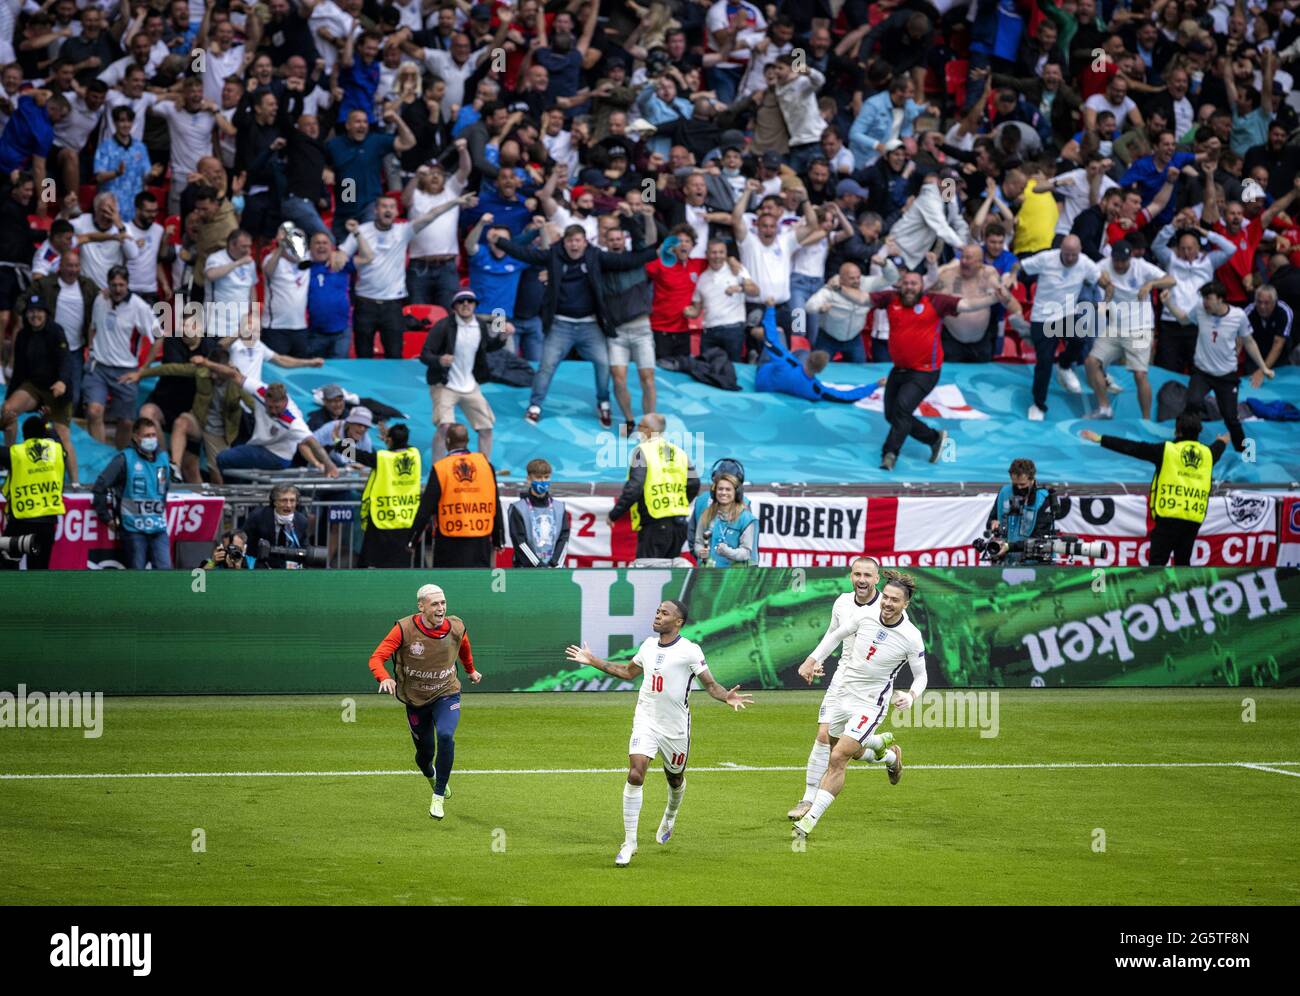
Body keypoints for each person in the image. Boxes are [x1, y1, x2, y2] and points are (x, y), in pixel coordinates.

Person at [563, 599, 753, 866]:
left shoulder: (690, 650)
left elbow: (710, 685)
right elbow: (626, 672)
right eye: (657, 611)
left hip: (675, 728)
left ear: (678, 622)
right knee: (635, 773)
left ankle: (670, 814)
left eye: (665, 613)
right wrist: (591, 660)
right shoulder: (648, 646)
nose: (658, 616)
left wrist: (726, 696)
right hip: (646, 720)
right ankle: (629, 842)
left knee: (675, 779)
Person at [793, 571, 927, 839]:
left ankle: (809, 820)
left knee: (838, 757)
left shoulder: (911, 636)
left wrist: (911, 696)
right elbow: (835, 636)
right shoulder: (865, 615)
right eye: (886, 597)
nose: (887, 603)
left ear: (906, 604)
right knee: (848, 751)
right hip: (843, 696)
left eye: (895, 600)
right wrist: (812, 660)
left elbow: (921, 675)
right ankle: (888, 754)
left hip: (871, 704)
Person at [488, 222, 658, 427]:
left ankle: (603, 402)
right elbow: (525, 254)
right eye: (570, 241)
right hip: (560, 325)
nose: (574, 245)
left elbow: (628, 260)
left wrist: (654, 253)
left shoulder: (596, 256)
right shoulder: (553, 255)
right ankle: (535, 406)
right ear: (564, 242)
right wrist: (500, 241)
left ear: (585, 242)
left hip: (590, 326)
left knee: (604, 363)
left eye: (578, 240)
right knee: (546, 366)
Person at [367, 583, 483, 820]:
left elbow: (464, 647)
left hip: (447, 692)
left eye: (443, 603)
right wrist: (384, 677)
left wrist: (470, 670)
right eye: (435, 604)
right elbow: (377, 658)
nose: (441, 608)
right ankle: (430, 774)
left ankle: (438, 796)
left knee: (446, 735)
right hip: (416, 699)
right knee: (424, 755)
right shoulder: (404, 629)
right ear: (421, 606)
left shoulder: (456, 627)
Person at [869, 272, 1003, 469]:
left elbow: (967, 304)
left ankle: (890, 454)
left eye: (914, 283)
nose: (909, 287)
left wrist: (994, 298)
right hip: (899, 369)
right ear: (900, 285)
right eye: (906, 283)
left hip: (925, 371)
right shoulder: (891, 299)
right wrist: (837, 289)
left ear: (922, 286)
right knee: (892, 415)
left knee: (902, 410)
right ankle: (934, 438)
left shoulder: (936, 301)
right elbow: (862, 299)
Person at [786, 556, 883, 821]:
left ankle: (887, 755)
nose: (861, 580)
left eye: (867, 575)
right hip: (842, 678)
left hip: (870, 687)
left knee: (845, 748)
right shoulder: (842, 602)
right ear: (851, 576)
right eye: (857, 574)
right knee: (825, 736)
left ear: (877, 579)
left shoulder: (886, 608)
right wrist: (817, 660)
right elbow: (833, 634)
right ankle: (807, 799)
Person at [1080, 414, 1231, 566]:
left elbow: (1133, 448)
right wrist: (1222, 441)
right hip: (1193, 519)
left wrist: (1100, 439)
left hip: (1167, 518)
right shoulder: (1208, 454)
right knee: (1183, 565)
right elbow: (1218, 447)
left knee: (1157, 565)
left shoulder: (1167, 450)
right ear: (1199, 431)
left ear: (1177, 431)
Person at [1161, 280, 1275, 452]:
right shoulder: (1200, 310)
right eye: (1204, 298)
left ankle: (1243, 451)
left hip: (1226, 376)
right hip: (1202, 373)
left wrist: (1264, 367)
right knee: (1192, 403)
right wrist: (1168, 303)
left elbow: (1249, 342)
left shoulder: (1238, 316)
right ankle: (1183, 444)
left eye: (1209, 298)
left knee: (1230, 418)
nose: (1205, 302)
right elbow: (1184, 320)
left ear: (1221, 299)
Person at [1009, 236, 1105, 421]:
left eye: (1074, 255)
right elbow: (1019, 265)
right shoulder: (1046, 258)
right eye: (1066, 254)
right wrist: (1013, 274)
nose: (1070, 258)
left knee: (1080, 339)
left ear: (1080, 251)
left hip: (1067, 315)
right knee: (1044, 363)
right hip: (1042, 318)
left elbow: (1101, 278)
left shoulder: (1085, 263)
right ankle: (1038, 404)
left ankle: (1064, 365)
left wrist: (1108, 289)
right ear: (1061, 249)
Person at [1084, 240, 1175, 420]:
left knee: (1140, 375)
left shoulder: (1141, 267)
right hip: (1115, 327)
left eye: (1123, 261)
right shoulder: (1103, 265)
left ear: (1130, 258)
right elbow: (1086, 276)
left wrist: (1151, 285)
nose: (1119, 264)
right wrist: (1100, 280)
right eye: (1116, 260)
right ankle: (1104, 407)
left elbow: (1171, 280)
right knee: (1091, 362)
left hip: (1140, 328)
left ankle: (1146, 420)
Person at [418, 289, 513, 460]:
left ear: (475, 305)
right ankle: (437, 468)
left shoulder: (480, 325)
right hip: (445, 384)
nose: (466, 304)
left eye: (470, 301)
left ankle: (485, 467)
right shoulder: (443, 326)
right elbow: (425, 354)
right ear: (454, 307)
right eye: (461, 302)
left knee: (486, 428)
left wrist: (502, 337)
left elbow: (488, 346)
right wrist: (439, 360)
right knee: (444, 427)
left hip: (470, 385)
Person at [3, 294, 78, 484]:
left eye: (38, 311)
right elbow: (19, 371)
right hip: (34, 387)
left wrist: (62, 382)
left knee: (62, 435)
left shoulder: (56, 331)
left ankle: (76, 484)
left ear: (46, 313)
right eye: (31, 311)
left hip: (57, 390)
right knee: (8, 411)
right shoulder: (22, 335)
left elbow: (66, 361)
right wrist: (9, 397)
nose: (34, 315)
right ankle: (9, 464)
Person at [409, 423, 505, 568]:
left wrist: (413, 538)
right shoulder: (485, 464)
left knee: (448, 581)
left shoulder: (441, 467)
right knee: (477, 581)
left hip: (449, 541)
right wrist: (499, 539)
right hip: (480, 540)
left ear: (447, 441)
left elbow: (426, 507)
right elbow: (495, 503)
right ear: (467, 441)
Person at [609, 413, 700, 561]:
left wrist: (614, 514)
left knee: (647, 573)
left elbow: (635, 487)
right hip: (679, 524)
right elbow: (694, 483)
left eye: (640, 426)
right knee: (668, 572)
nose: (637, 430)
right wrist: (677, 502)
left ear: (649, 430)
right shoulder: (678, 452)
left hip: (655, 523)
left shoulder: (642, 451)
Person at [87, 265, 159, 450]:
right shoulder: (100, 299)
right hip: (99, 366)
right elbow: (92, 327)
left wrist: (142, 371)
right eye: (113, 285)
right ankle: (99, 457)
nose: (117, 289)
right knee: (94, 412)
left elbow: (159, 337)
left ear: (128, 284)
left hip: (126, 370)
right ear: (108, 284)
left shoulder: (139, 306)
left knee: (126, 422)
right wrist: (91, 351)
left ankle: (120, 457)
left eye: (121, 285)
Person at [91, 417, 172, 570]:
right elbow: (100, 486)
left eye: (153, 435)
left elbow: (164, 488)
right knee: (136, 576)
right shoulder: (124, 459)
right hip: (133, 531)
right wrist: (106, 518)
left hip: (158, 528)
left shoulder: (163, 458)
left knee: (166, 572)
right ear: (136, 437)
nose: (151, 439)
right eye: (146, 435)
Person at [216, 378, 339, 477]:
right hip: (267, 447)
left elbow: (310, 443)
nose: (273, 411)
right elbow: (234, 375)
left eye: (277, 407)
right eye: (270, 407)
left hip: (278, 455)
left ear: (285, 402)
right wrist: (208, 363)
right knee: (230, 459)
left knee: (224, 458)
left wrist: (327, 464)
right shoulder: (260, 391)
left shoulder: (292, 420)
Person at [0, 415, 67, 570]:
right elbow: (56, 438)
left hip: (20, 523)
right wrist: (47, 423)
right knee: (38, 572)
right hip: (46, 524)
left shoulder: (16, 453)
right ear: (44, 433)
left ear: (24, 435)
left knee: (6, 567)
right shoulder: (57, 450)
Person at [358, 422, 420, 569]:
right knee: (402, 566)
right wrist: (391, 439)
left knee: (372, 565)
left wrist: (339, 440)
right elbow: (403, 445)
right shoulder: (414, 454)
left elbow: (351, 453)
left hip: (382, 520)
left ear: (390, 440)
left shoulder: (382, 458)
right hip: (406, 519)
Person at [984, 458, 1059, 564]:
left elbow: (1039, 538)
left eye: (1023, 484)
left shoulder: (1044, 497)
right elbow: (991, 520)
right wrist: (993, 523)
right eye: (1015, 484)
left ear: (1032, 479)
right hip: (1006, 560)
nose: (1019, 488)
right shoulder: (1004, 492)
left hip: (1035, 562)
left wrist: (1009, 547)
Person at [508, 457, 570, 568]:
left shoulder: (560, 507)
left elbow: (564, 539)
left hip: (554, 569)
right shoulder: (518, 508)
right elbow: (520, 542)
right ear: (529, 479)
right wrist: (539, 566)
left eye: (546, 477)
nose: (543, 481)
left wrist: (554, 564)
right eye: (538, 477)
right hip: (527, 570)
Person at [692, 472, 757, 568]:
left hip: (734, 573)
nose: (723, 493)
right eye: (720, 489)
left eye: (728, 489)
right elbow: (698, 543)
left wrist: (727, 552)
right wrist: (700, 552)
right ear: (714, 492)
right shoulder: (706, 514)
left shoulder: (746, 519)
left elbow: (747, 553)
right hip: (709, 572)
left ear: (736, 493)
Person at [243, 483, 310, 570]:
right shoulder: (258, 517)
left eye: (292, 500)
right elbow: (247, 545)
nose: (288, 505)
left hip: (290, 567)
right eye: (284, 500)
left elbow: (305, 548)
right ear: (275, 502)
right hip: (261, 567)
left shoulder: (301, 521)